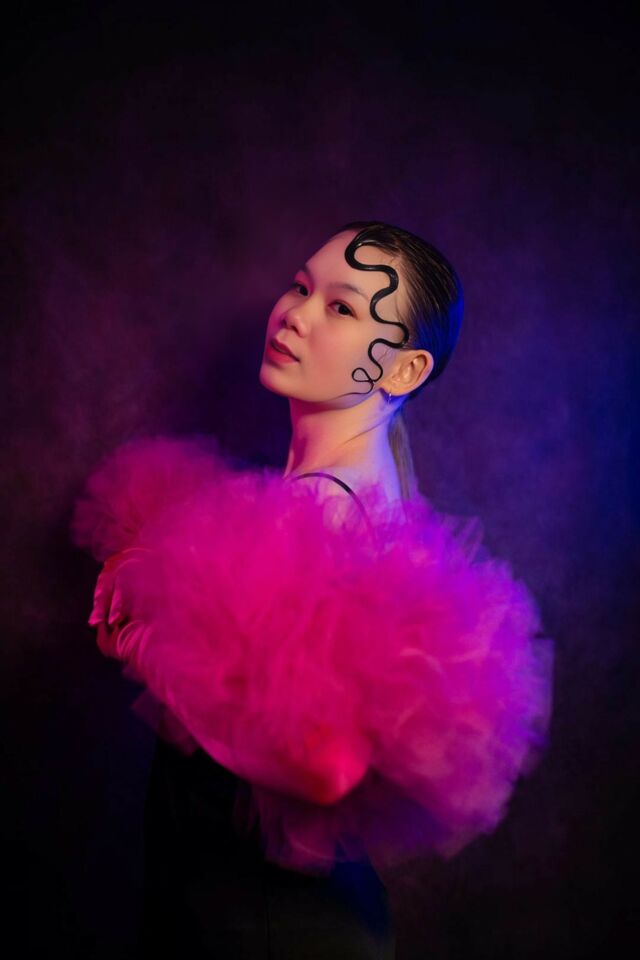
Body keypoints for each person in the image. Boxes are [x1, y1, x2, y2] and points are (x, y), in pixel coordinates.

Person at [72, 221, 553, 959]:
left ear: (404, 370)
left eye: (342, 308)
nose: (296, 314)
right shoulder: (342, 487)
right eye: (302, 287)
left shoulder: (325, 505)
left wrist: (149, 642)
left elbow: (325, 765)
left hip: (264, 929)